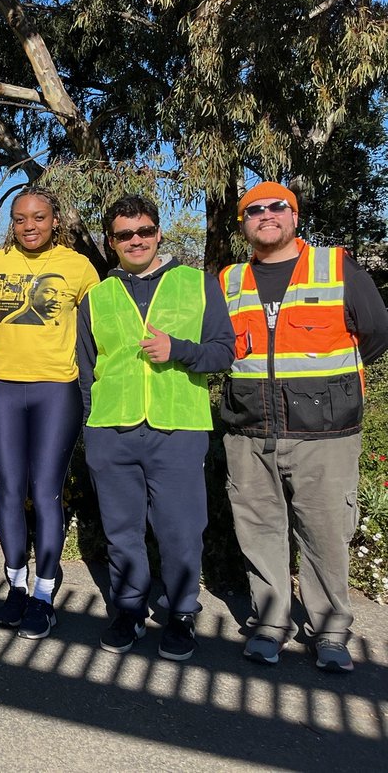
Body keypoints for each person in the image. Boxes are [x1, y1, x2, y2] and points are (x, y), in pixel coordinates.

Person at [220, 182, 388, 673]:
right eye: (254, 209)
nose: (266, 215)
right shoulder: (228, 280)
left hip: (326, 434)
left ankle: (331, 632)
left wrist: (328, 390)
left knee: (325, 533)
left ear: (294, 217)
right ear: (243, 222)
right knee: (258, 530)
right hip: (249, 429)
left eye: (278, 207)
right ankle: (270, 624)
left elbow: (375, 333)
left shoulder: (337, 268)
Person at [76, 195, 234, 661]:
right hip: (112, 430)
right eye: (125, 234)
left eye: (144, 231)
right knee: (121, 529)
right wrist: (93, 427)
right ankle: (128, 608)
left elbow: (224, 352)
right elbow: (86, 370)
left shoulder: (197, 284)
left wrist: (180, 349)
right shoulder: (98, 296)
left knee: (181, 528)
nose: (136, 240)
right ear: (112, 242)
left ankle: (181, 611)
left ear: (159, 233)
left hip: (177, 428)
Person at [0, 185, 99, 639]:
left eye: (39, 217)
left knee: (45, 490)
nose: (30, 226)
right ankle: (16, 585)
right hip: (4, 387)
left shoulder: (77, 265)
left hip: (55, 390)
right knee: (9, 488)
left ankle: (44, 595)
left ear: (55, 220)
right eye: (20, 218)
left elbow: (98, 325)